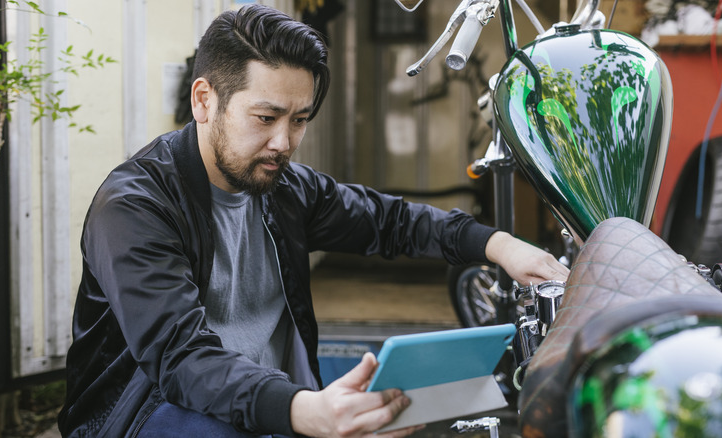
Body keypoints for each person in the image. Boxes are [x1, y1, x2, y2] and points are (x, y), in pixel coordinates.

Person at [57, 4, 569, 437]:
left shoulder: (282, 187)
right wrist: (308, 411)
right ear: (203, 100)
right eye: (266, 117)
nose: (283, 143)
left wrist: (501, 245)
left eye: (299, 120)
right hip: (146, 416)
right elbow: (182, 359)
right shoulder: (134, 206)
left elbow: (389, 221)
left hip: (266, 403)